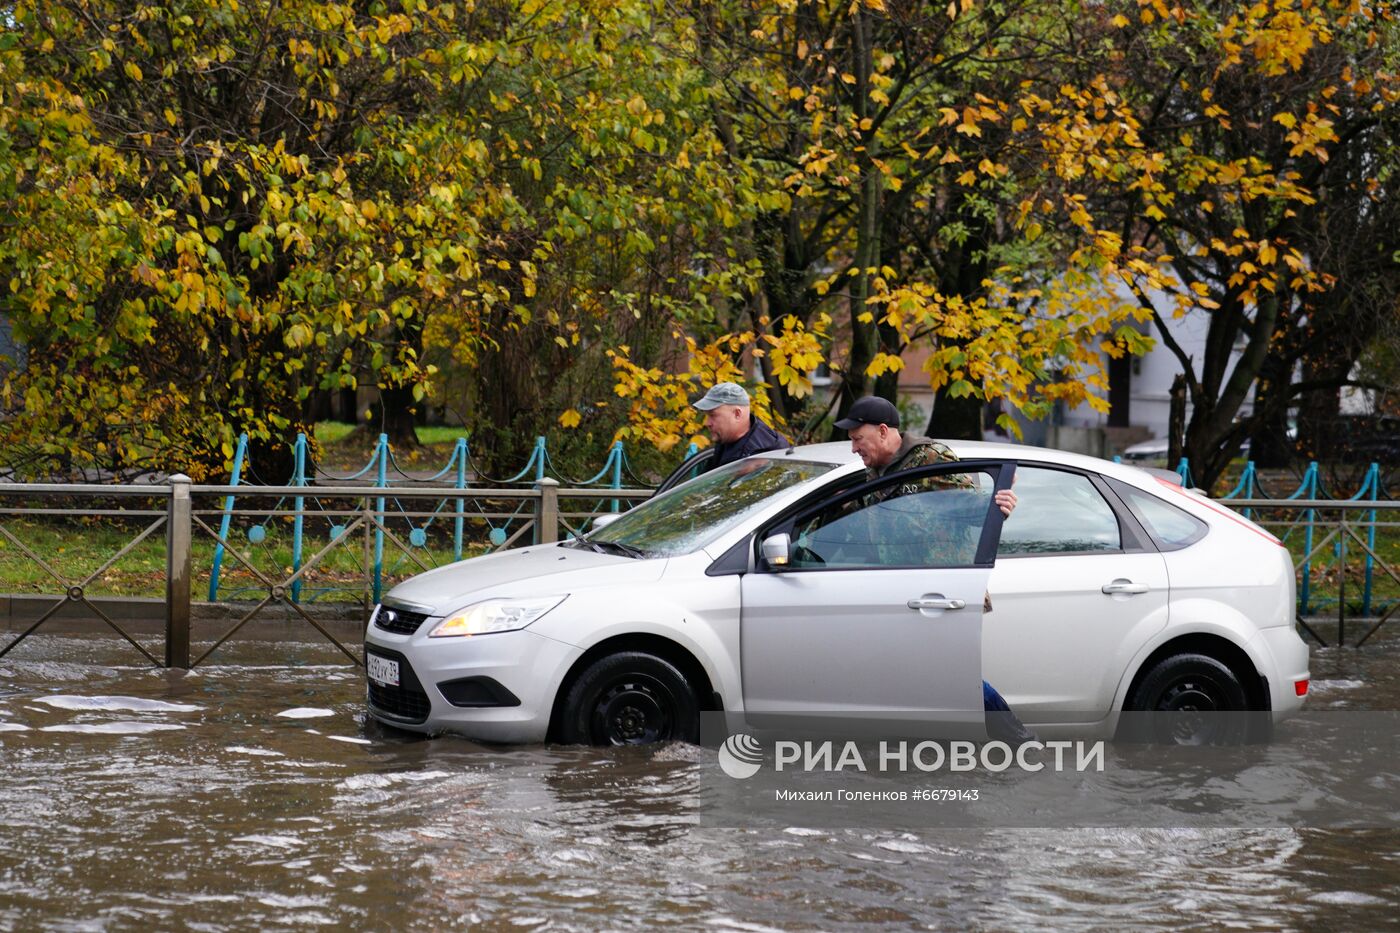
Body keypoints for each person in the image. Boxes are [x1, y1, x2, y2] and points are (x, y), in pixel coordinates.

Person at [833, 395, 1035, 745]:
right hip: (901, 593)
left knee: (954, 677)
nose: (854, 448)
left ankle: (1019, 740)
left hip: (940, 593)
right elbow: (856, 517)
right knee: (913, 673)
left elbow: (971, 511)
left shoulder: (931, 460)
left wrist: (1000, 506)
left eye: (857, 439)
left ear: (883, 432)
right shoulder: (877, 471)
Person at [692, 381, 790, 468]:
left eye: (713, 415)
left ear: (737, 414)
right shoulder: (728, 439)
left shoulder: (760, 457)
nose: (707, 423)